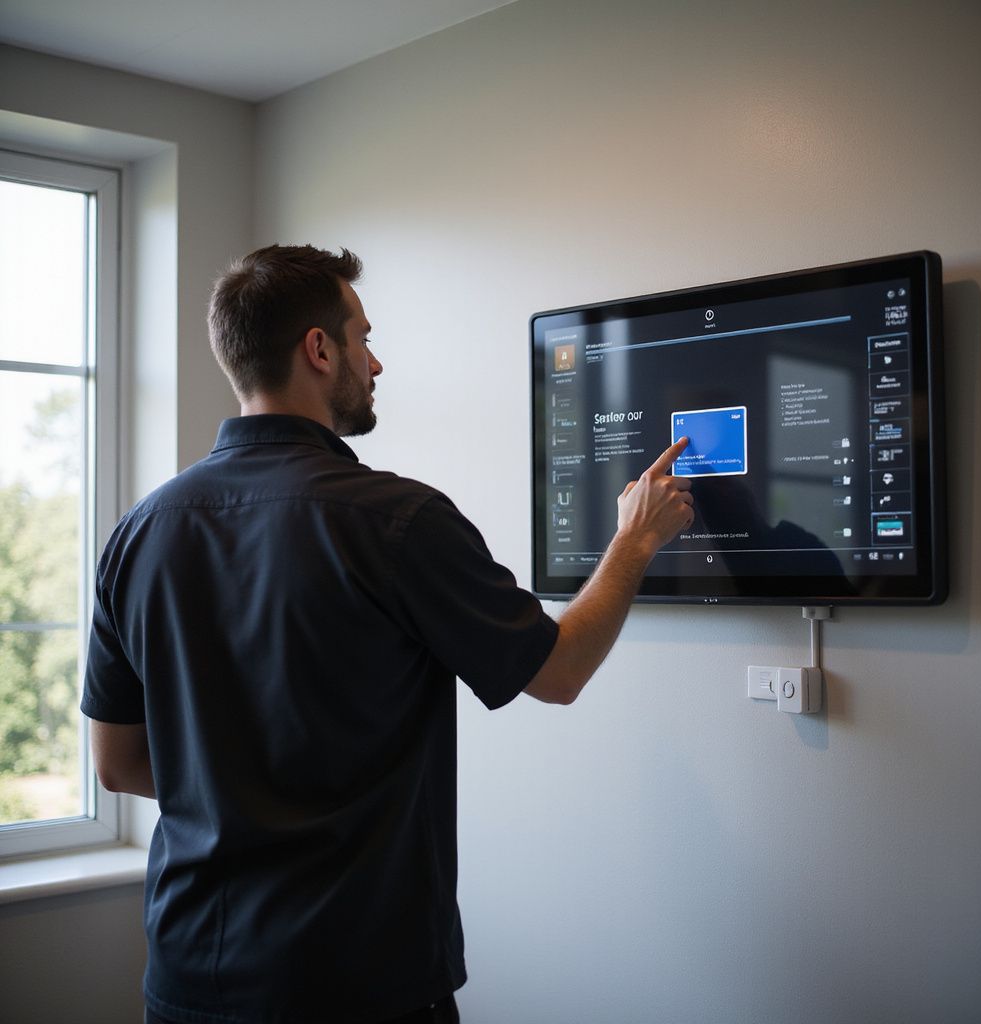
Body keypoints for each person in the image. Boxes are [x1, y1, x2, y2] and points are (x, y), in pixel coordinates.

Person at [82, 244, 695, 1024]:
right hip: (357, 984)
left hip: (188, 981)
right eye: (364, 338)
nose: (376, 365)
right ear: (318, 348)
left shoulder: (138, 533)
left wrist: (246, 791)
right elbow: (560, 671)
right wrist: (634, 542)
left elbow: (117, 764)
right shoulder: (396, 521)